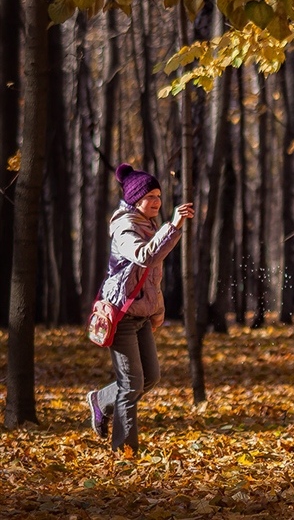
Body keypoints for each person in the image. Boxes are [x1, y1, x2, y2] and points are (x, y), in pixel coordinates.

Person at [86, 163, 194, 453]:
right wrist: (174, 227)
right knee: (131, 385)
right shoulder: (125, 227)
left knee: (151, 377)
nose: (157, 201)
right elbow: (145, 257)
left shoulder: (148, 224)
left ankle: (100, 400)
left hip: (142, 315)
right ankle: (125, 452)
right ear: (135, 200)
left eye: (159, 195)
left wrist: (157, 311)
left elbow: (152, 277)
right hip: (120, 314)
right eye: (151, 197)